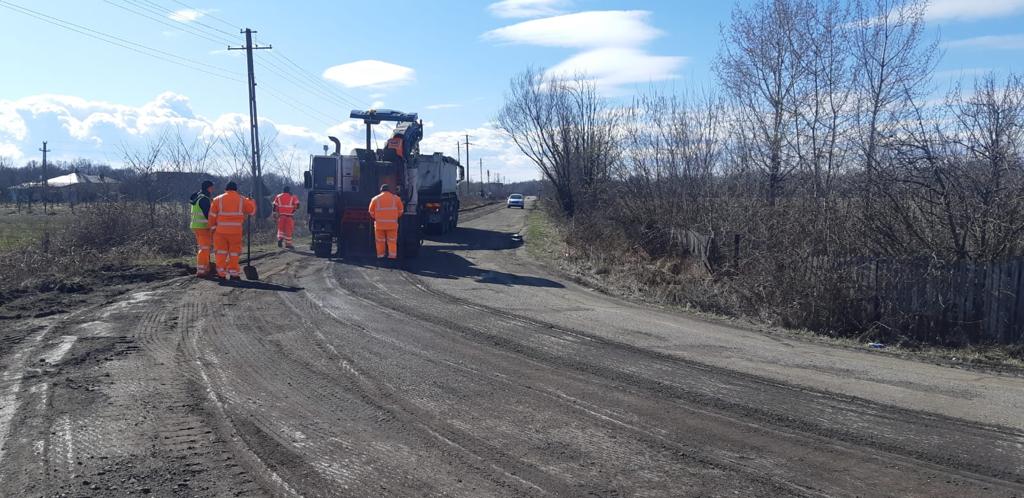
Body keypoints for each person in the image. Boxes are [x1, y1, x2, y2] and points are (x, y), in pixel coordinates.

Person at [208, 181, 256, 280]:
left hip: (220, 232)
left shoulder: (217, 199)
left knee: (220, 253)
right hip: (236, 232)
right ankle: (234, 274)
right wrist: (251, 201)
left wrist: (212, 229)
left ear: (225, 189)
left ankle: (221, 274)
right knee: (234, 253)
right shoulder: (242, 200)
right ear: (236, 189)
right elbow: (251, 211)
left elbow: (212, 216)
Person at [367, 184, 404, 262]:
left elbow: (371, 211)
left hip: (379, 225)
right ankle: (392, 256)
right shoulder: (396, 199)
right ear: (389, 190)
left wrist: (376, 218)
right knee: (392, 241)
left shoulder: (375, 199)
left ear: (381, 190)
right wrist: (395, 217)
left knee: (380, 241)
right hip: (392, 225)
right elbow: (401, 211)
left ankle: (381, 256)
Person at [188, 180, 215, 277]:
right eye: (212, 187)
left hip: (196, 226)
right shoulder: (204, 199)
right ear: (208, 188)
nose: (213, 189)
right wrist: (214, 225)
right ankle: (202, 270)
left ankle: (206, 268)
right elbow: (208, 215)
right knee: (204, 249)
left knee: (204, 248)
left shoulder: (198, 197)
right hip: (203, 227)